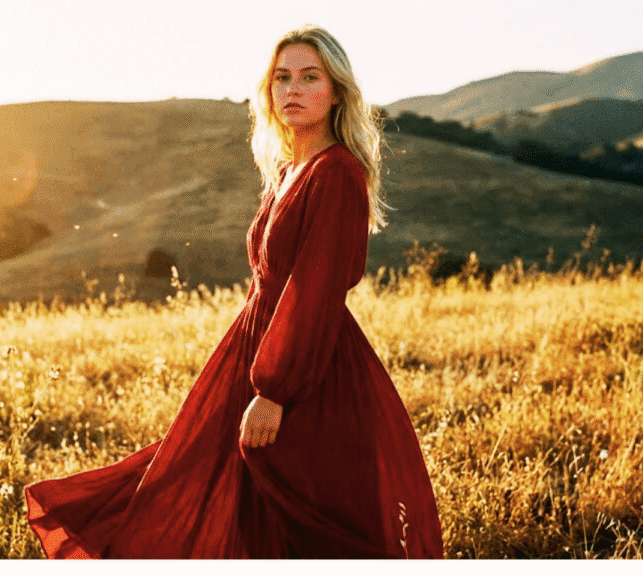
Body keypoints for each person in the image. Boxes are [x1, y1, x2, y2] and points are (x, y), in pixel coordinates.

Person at [24, 23, 443, 559]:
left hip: (304, 368)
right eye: (281, 77)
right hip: (254, 348)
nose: (292, 89)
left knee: (301, 510)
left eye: (309, 77)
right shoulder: (291, 168)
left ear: (335, 90)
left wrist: (273, 391)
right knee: (213, 489)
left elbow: (313, 293)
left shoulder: (336, 173)